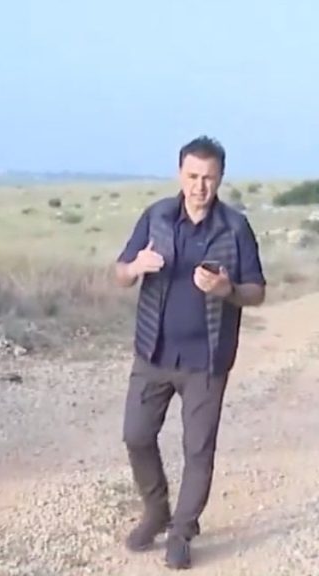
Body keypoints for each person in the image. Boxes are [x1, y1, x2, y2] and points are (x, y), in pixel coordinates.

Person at [113, 135, 266, 570]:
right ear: (180, 174)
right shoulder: (157, 216)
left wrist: (228, 289)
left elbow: (257, 292)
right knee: (136, 435)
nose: (200, 186)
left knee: (198, 448)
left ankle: (181, 532)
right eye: (193, 176)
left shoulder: (234, 228)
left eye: (209, 178)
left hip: (207, 359)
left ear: (220, 179)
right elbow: (120, 273)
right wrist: (135, 267)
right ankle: (157, 511)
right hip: (153, 352)